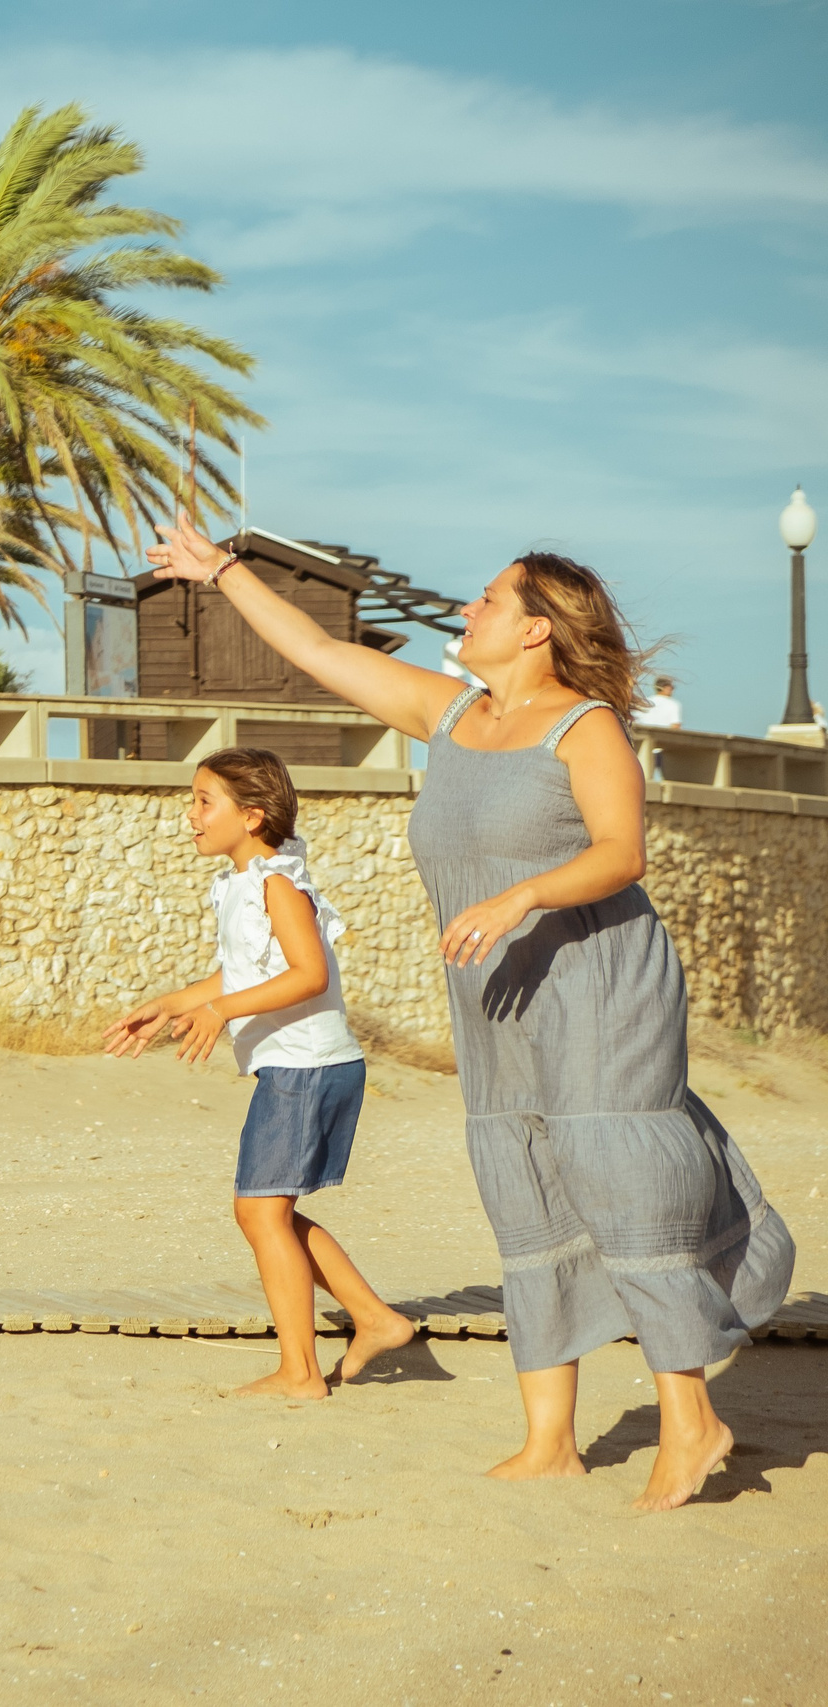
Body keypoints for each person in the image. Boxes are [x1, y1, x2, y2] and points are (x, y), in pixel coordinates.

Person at [145, 515, 795, 1512]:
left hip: (600, 985)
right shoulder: (452, 716)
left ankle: (690, 1420)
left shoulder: (585, 727)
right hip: (498, 995)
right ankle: (548, 1440)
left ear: (536, 629)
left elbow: (621, 852)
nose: (467, 609)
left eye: (488, 599)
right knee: (523, 1189)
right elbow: (319, 651)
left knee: (619, 1183)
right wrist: (220, 571)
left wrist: (522, 895)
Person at [103, 749, 417, 1400]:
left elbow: (310, 974)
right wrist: (174, 1002)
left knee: (259, 1210)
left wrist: (219, 1010)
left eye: (203, 801)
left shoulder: (277, 881)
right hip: (300, 1065)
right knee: (267, 1211)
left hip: (307, 1065)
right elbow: (248, 973)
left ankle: (302, 1373)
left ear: (251, 815)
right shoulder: (247, 882)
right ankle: (378, 1318)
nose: (190, 815)